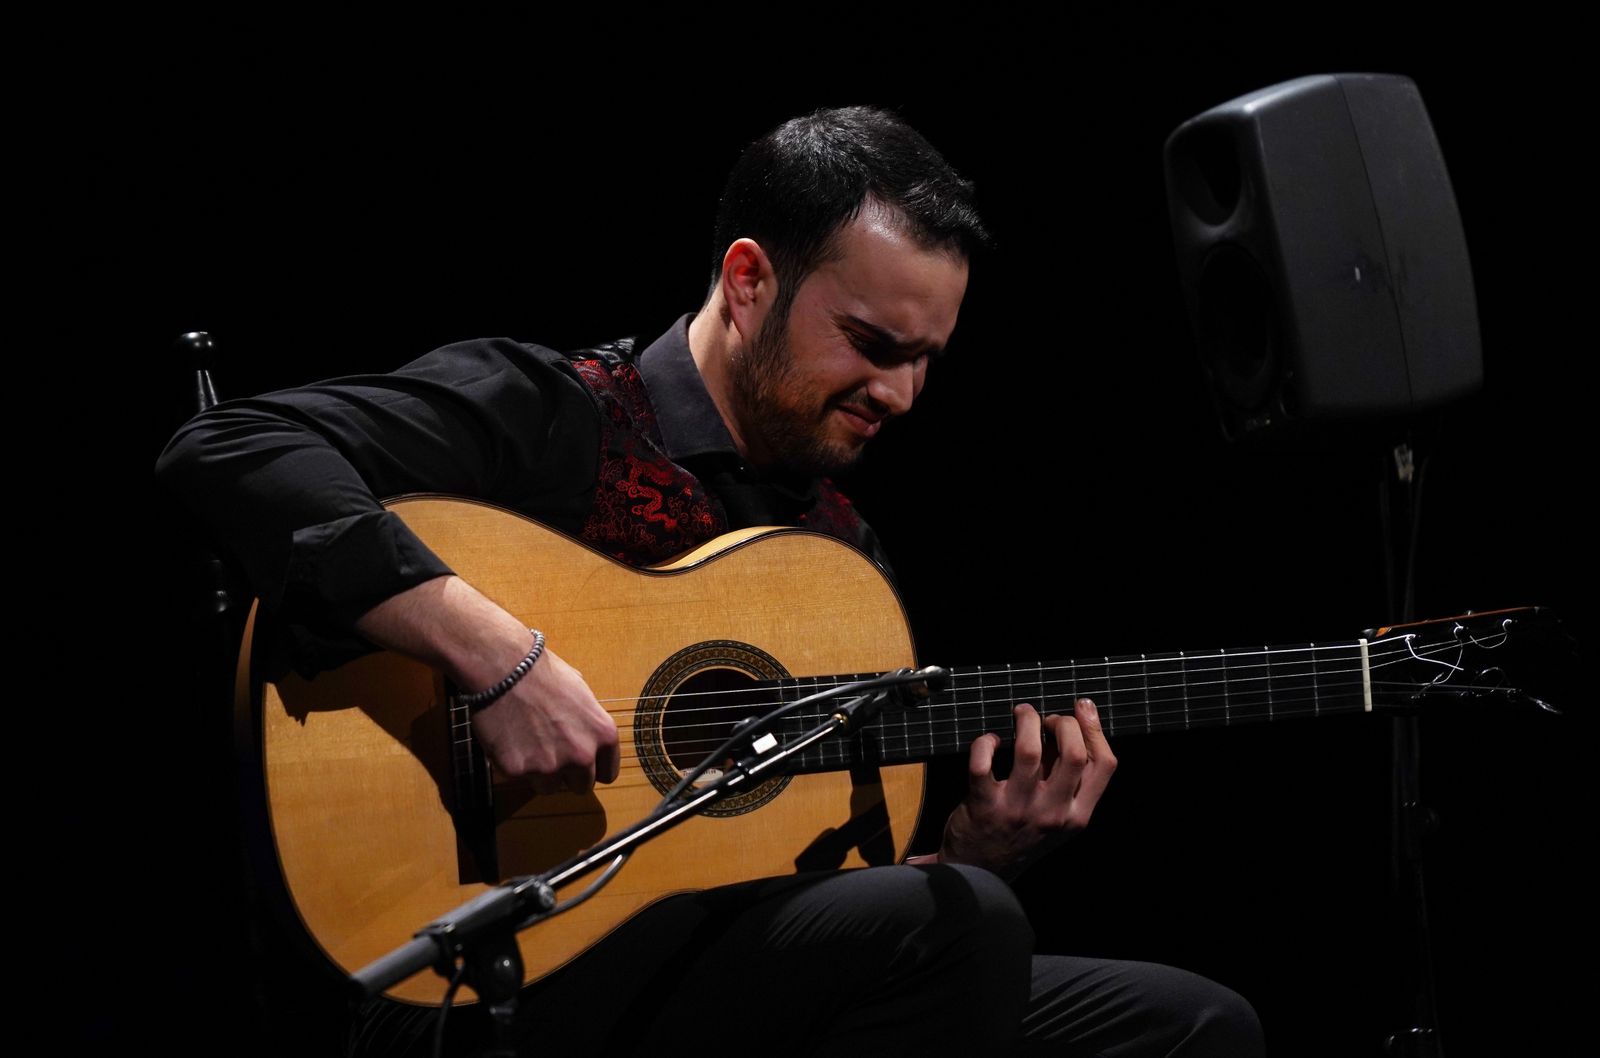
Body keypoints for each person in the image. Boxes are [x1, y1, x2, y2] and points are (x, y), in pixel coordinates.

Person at [158, 106, 1263, 1056]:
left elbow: (830, 897)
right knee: (955, 921)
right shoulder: (556, 415)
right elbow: (230, 448)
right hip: (480, 957)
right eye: (873, 343)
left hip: (713, 977)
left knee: (1187, 1019)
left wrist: (975, 851)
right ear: (748, 281)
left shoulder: (840, 557)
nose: (903, 393)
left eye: (927, 357)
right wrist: (495, 652)